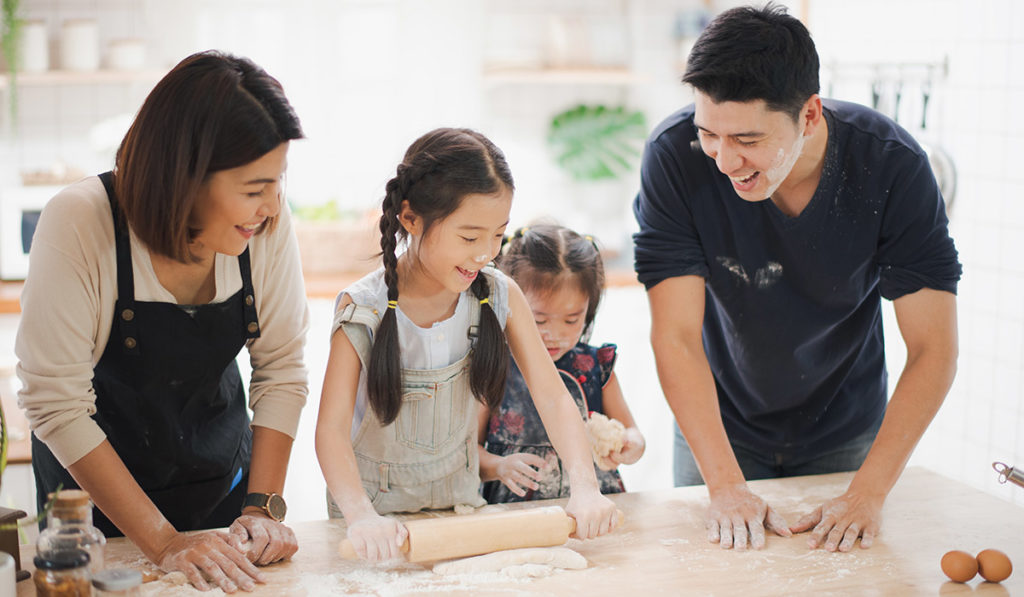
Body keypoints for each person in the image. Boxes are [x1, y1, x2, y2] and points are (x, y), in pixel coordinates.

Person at [632, 4, 960, 553]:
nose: (724, 160)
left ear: (809, 114)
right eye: (709, 133)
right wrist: (726, 484)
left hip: (846, 428)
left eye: (748, 140)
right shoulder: (674, 158)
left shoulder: (892, 166)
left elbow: (934, 349)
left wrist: (868, 495)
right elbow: (676, 336)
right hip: (720, 427)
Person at [17, 51, 309, 592]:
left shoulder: (264, 224)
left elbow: (283, 369)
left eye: (277, 182)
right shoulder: (82, 220)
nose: (270, 206)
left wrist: (262, 509)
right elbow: (55, 403)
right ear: (187, 179)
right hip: (94, 516)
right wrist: (163, 540)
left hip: (220, 491)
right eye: (252, 189)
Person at [315, 128, 619, 562]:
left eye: (498, 235)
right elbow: (330, 430)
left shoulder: (500, 294)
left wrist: (586, 488)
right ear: (410, 218)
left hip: (461, 513)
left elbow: (552, 396)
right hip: (372, 525)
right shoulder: (362, 308)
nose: (485, 253)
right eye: (469, 237)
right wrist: (361, 516)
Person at [479, 224, 645, 503]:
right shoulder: (493, 369)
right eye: (539, 320)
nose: (554, 334)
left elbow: (632, 431)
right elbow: (468, 452)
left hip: (594, 503)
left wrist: (631, 445)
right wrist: (498, 467)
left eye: (571, 320)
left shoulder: (596, 366)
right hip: (516, 509)